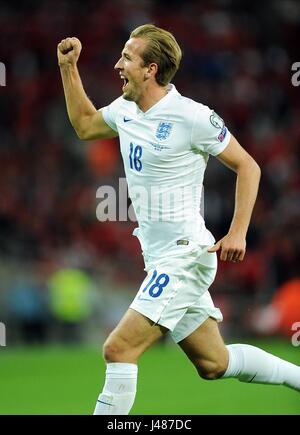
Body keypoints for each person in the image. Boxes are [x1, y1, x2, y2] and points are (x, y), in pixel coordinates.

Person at [57, 24, 300, 415]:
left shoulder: (192, 117)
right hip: (160, 258)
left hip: (183, 256)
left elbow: (248, 167)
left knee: (118, 349)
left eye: (127, 58)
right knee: (213, 363)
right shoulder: (125, 110)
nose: (118, 64)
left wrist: (238, 231)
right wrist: (68, 69)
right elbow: (85, 125)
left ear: (150, 69)